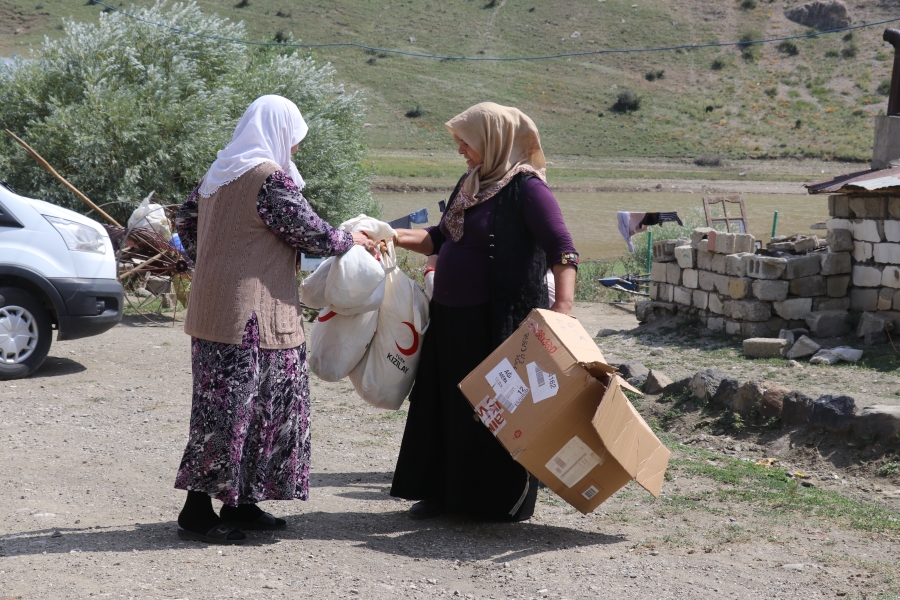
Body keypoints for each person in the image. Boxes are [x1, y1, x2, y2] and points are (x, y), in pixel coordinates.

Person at [173, 95, 374, 544]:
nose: (296, 148)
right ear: (279, 131)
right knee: (235, 412)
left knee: (233, 409)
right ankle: (197, 512)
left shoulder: (217, 175)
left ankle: (241, 504)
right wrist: (352, 239)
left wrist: (214, 265)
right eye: (296, 138)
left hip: (214, 310)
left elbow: (185, 224)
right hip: (251, 318)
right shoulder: (267, 179)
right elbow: (311, 232)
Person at [389, 102, 579, 521]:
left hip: (497, 323)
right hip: (452, 319)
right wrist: (390, 236)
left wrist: (562, 310)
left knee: (496, 409)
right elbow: (441, 236)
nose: (461, 151)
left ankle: (496, 501)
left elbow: (562, 248)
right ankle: (443, 493)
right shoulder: (471, 182)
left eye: (466, 143)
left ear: (493, 141)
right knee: (448, 405)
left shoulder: (527, 189)